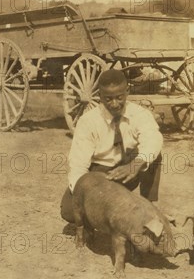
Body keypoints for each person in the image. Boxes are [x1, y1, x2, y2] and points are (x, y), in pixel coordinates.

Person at [60, 69, 163, 223]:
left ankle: (150, 208)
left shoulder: (140, 114)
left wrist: (135, 164)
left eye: (119, 97)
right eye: (108, 99)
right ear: (99, 96)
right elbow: (78, 166)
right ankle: (109, 214)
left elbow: (153, 140)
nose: (114, 104)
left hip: (129, 172)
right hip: (100, 176)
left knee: (153, 155)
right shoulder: (88, 121)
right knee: (69, 210)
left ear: (127, 92)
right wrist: (90, 195)